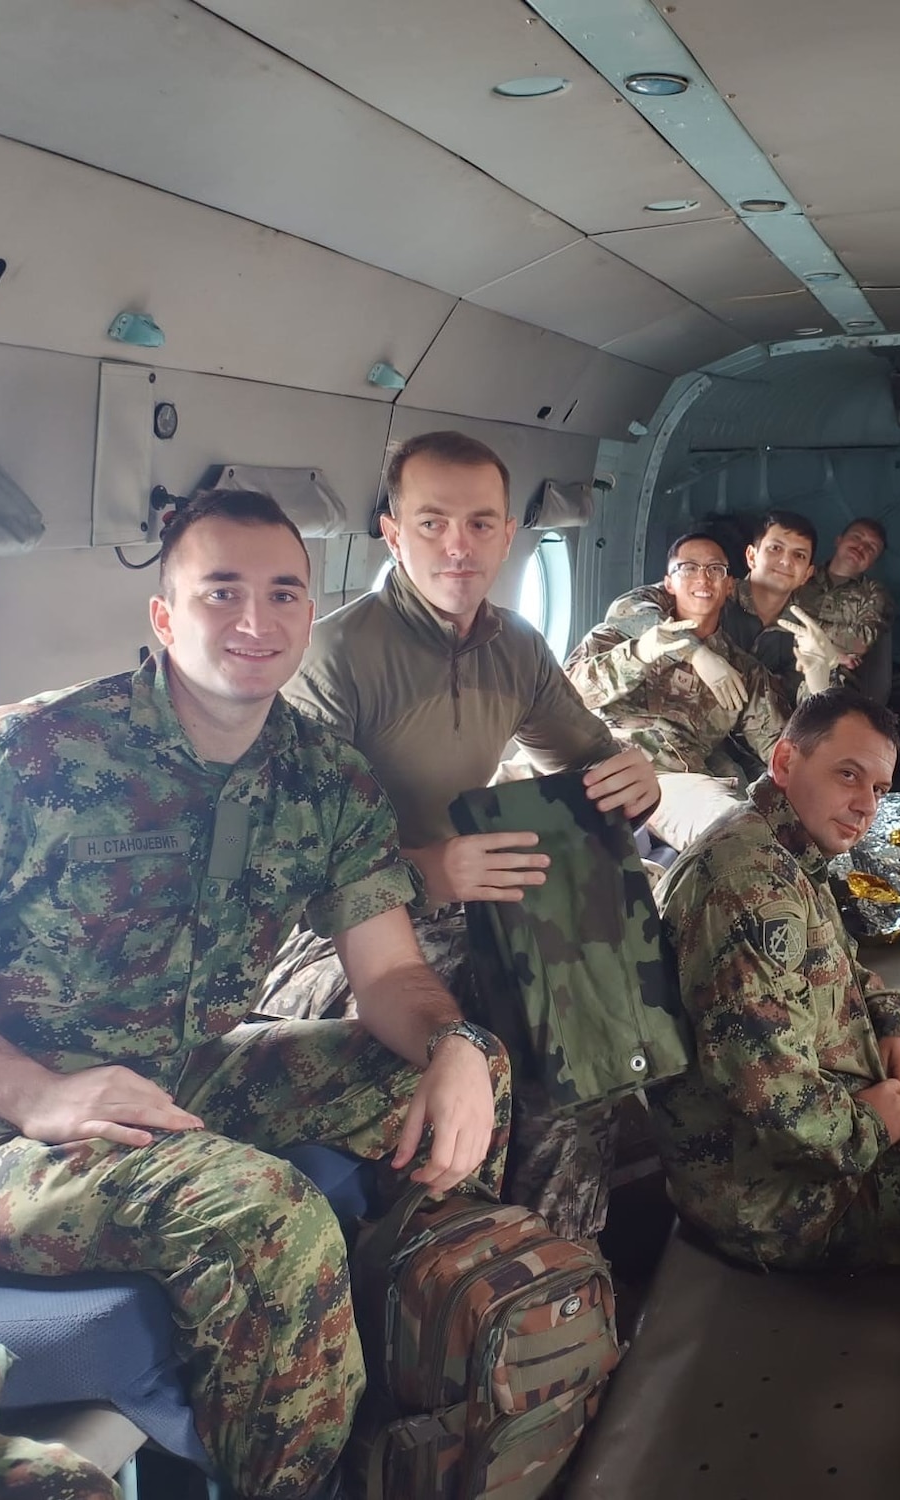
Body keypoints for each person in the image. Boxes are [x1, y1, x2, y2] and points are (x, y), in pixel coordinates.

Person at [0, 490, 507, 1500]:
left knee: (457, 1076)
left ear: (309, 613)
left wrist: (457, 1042)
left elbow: (390, 975)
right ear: (165, 617)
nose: (254, 623)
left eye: (282, 594)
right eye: (221, 593)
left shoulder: (323, 780)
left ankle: (408, 1384)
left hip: (172, 1074)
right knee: (268, 1215)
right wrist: (36, 1094)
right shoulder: (29, 753)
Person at [263, 429, 655, 1240]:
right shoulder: (336, 658)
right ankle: (453, 1278)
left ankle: (552, 1270)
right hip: (335, 935)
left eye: (481, 524)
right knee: (504, 1022)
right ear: (392, 532)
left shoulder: (515, 647)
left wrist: (634, 778)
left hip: (461, 905)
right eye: (432, 522)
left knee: (598, 1012)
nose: (458, 546)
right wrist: (427, 871)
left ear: (509, 535)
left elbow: (590, 762)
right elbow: (282, 874)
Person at [648, 689, 900, 1270]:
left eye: (878, 789)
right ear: (785, 762)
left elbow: (841, 965)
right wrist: (874, 1123)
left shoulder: (787, 845)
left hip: (833, 1075)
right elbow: (763, 1091)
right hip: (782, 1193)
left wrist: (894, 1026)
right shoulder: (749, 887)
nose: (865, 804)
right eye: (848, 775)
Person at [567, 532, 786, 850]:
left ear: (729, 586)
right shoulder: (617, 635)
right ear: (668, 583)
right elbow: (569, 696)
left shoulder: (743, 671)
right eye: (689, 568)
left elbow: (780, 748)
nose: (703, 578)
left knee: (741, 836)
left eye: (715, 569)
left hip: (672, 782)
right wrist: (642, 653)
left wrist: (820, 679)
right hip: (595, 762)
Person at [795, 517, 895, 701]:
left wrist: (815, 642)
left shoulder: (873, 593)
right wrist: (833, 650)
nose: (861, 547)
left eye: (871, 548)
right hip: (789, 663)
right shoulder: (803, 575)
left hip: (835, 677)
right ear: (838, 540)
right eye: (857, 537)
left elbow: (861, 640)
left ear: (873, 562)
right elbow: (778, 618)